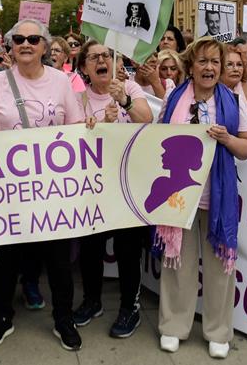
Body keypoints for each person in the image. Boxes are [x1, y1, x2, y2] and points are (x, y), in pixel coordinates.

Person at [0, 19, 86, 351]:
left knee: (59, 261)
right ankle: (1, 318)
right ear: (11, 45)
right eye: (19, 38)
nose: (26, 43)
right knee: (8, 257)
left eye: (33, 38)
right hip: (10, 191)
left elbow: (75, 129)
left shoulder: (61, 81)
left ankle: (64, 319)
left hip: (53, 190)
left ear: (46, 47)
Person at [155, 37, 247, 358]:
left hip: (218, 197)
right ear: (191, 66)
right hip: (179, 195)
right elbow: (158, 139)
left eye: (216, 61)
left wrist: (227, 138)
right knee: (178, 264)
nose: (210, 67)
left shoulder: (232, 101)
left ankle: (217, 331)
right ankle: (173, 326)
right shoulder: (174, 98)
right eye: (203, 61)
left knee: (218, 268)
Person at [72, 40, 152, 338]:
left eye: (106, 55)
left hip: (126, 181)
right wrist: (88, 126)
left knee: (127, 248)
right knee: (91, 246)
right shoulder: (78, 98)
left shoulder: (128, 89)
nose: (102, 60)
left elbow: (147, 120)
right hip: (92, 185)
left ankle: (129, 306)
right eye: (94, 57)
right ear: (84, 68)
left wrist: (126, 103)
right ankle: (92, 300)